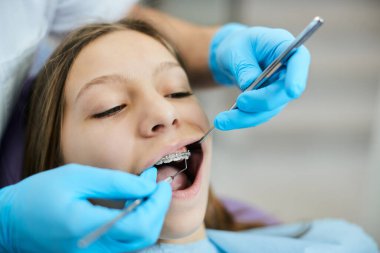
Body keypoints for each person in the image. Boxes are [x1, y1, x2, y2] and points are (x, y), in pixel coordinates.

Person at [17, 19, 379, 253]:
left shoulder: (336, 243)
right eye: (110, 107)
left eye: (177, 91)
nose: (165, 113)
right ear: (53, 164)